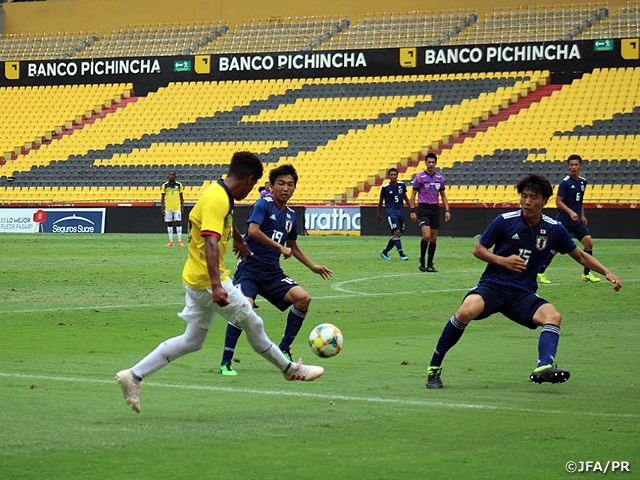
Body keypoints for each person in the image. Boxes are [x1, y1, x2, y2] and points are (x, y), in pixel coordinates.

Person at [116, 152, 324, 413]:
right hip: (207, 280)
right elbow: (211, 241)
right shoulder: (217, 198)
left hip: (194, 277)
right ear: (249, 180)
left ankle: (133, 376)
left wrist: (238, 239)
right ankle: (290, 370)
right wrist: (216, 285)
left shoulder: (220, 193)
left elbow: (225, 222)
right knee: (253, 322)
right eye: (253, 185)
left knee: (192, 340)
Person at [425, 173, 622, 390]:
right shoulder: (505, 221)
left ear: (544, 201)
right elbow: (478, 250)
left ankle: (544, 366)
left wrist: (606, 272)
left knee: (553, 317)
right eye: (524, 196)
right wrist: (503, 261)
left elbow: (580, 255)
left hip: (522, 293)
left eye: (533, 197)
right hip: (492, 285)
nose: (527, 201)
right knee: (464, 312)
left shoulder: (554, 228)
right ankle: (434, 368)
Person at [219, 164, 333, 376]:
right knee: (245, 307)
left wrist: (313, 266)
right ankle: (226, 361)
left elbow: (294, 246)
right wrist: (279, 247)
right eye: (280, 183)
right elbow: (253, 231)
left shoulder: (290, 214)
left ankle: (284, 349)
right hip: (250, 270)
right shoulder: (263, 205)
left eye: (290, 184)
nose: (285, 188)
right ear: (271, 186)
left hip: (272, 274)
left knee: (303, 298)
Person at [537, 154, 600, 284]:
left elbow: (579, 201)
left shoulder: (583, 182)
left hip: (577, 220)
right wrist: (571, 212)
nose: (574, 167)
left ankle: (586, 274)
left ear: (580, 166)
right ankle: (540, 272)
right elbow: (558, 202)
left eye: (576, 165)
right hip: (564, 221)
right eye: (571, 165)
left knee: (588, 243)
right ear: (568, 166)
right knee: (554, 248)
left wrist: (582, 215)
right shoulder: (565, 183)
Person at [409, 152, 451, 272]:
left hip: (435, 209)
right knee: (426, 235)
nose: (431, 164)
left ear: (436, 163)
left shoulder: (440, 178)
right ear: (425, 163)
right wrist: (412, 210)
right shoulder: (419, 177)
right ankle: (421, 260)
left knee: (433, 238)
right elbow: (413, 195)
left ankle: (430, 264)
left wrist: (447, 210)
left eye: (433, 162)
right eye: (429, 162)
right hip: (423, 209)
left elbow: (443, 195)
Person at [377, 167, 410, 261]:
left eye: (394, 175)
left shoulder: (402, 185)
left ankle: (384, 252)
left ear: (397, 175)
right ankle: (401, 254)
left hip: (401, 213)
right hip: (391, 213)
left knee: (397, 235)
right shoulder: (385, 188)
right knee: (397, 232)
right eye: (391, 175)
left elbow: (405, 197)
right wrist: (379, 214)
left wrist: (412, 209)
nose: (393, 176)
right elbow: (380, 202)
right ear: (388, 176)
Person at [161, 171, 185, 247]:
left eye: (172, 175)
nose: (171, 176)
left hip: (177, 207)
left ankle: (180, 241)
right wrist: (162, 207)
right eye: (170, 174)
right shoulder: (165, 185)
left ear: (175, 176)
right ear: (168, 176)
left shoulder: (179, 185)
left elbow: (181, 197)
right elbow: (162, 197)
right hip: (168, 207)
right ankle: (171, 241)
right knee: (169, 224)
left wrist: (182, 206)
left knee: (178, 223)